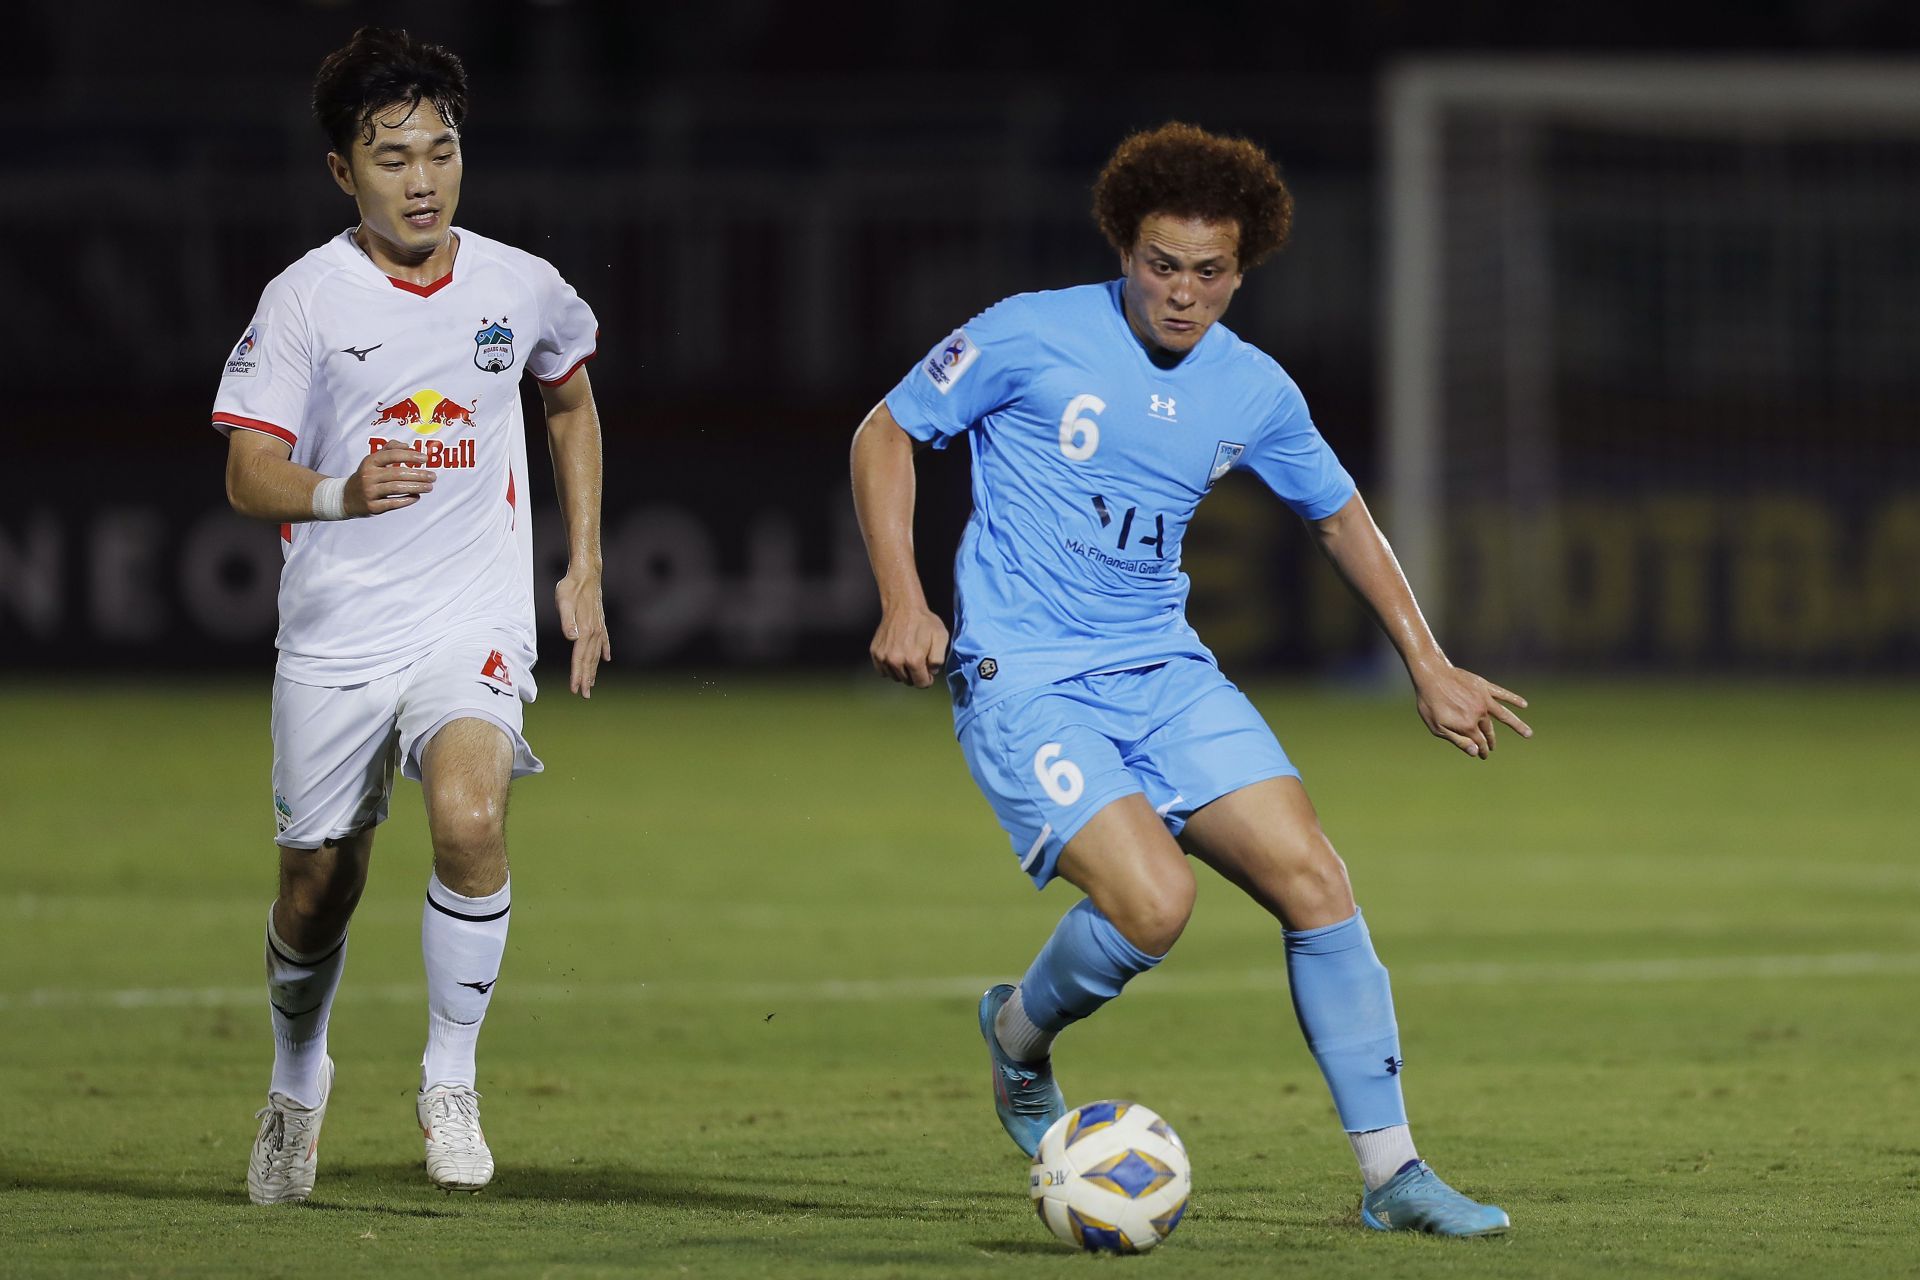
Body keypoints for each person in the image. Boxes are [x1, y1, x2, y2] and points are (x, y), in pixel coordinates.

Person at [850, 122, 1530, 1237]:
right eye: (1161, 265)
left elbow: (1339, 511)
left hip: (1166, 671)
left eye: (1209, 272)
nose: (1182, 293)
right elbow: (885, 431)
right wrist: (904, 595)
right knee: (1156, 904)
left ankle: (1395, 1173)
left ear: (1241, 268)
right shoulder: (1028, 332)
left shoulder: (1253, 387)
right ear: (1124, 246)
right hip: (1027, 674)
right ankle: (1018, 1038)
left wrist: (1428, 656)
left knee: (1317, 878)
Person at [215, 26, 609, 1204]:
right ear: (344, 170)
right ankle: (296, 1080)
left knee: (472, 812)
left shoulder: (517, 283)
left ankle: (450, 1079)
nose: (422, 178)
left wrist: (582, 566)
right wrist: (340, 490)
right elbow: (247, 473)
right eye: (392, 157)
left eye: (439, 151)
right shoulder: (304, 299)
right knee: (315, 887)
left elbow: (572, 399)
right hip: (338, 630)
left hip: (469, 615)